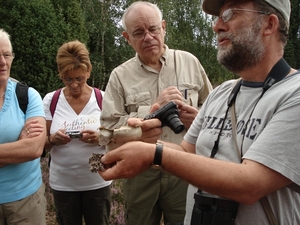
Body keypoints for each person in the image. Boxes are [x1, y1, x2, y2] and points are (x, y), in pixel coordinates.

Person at [98, 0, 300, 224]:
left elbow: (250, 185)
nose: (216, 26)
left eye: (230, 14)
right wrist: (141, 143)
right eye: (218, 17)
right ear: (128, 38)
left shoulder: (294, 95)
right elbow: (186, 150)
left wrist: (152, 154)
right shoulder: (222, 93)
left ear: (269, 24)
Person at [100, 2, 212, 225]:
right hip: (140, 172)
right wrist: (154, 108)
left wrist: (198, 118)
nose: (148, 37)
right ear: (127, 38)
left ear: (163, 27)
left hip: (185, 168)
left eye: (153, 29)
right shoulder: (119, 76)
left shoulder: (190, 62)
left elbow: (214, 112)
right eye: (139, 33)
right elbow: (107, 131)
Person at [43, 40, 111, 225]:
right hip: (64, 184)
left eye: (79, 78)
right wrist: (53, 139)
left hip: (98, 180)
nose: (74, 85)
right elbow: (42, 143)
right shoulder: (52, 100)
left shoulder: (102, 99)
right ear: (61, 75)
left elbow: (116, 138)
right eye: (68, 79)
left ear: (88, 71)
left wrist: (100, 138)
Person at [0, 28, 47, 224]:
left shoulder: (28, 96)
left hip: (26, 202)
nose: (2, 62)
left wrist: (25, 147)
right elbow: (24, 149)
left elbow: (34, 148)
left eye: (6, 54)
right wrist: (15, 147)